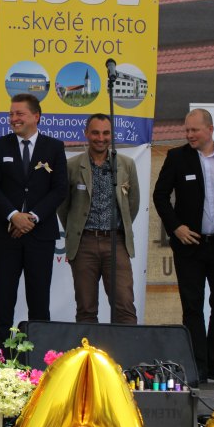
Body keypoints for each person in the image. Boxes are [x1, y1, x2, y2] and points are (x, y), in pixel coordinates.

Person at [153, 108, 214, 384]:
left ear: (210, 129)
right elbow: (160, 196)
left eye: (194, 130)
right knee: (192, 307)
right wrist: (176, 227)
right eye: (186, 130)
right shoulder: (177, 157)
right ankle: (198, 367)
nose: (189, 135)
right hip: (190, 246)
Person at [0, 93, 67, 348]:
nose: (13, 118)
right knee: (3, 300)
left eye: (19, 113)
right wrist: (13, 216)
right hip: (4, 233)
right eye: (11, 114)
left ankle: (39, 357)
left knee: (39, 300)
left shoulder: (54, 147)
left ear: (36, 116)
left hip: (40, 236)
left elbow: (60, 189)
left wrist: (32, 218)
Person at [58, 114, 140, 325]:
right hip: (84, 243)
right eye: (95, 133)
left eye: (106, 133)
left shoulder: (126, 165)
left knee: (124, 307)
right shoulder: (72, 166)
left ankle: (127, 347)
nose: (100, 138)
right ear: (86, 133)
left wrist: (118, 229)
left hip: (116, 242)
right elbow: (63, 207)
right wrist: (77, 230)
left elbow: (132, 204)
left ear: (112, 135)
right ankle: (89, 348)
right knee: (86, 309)